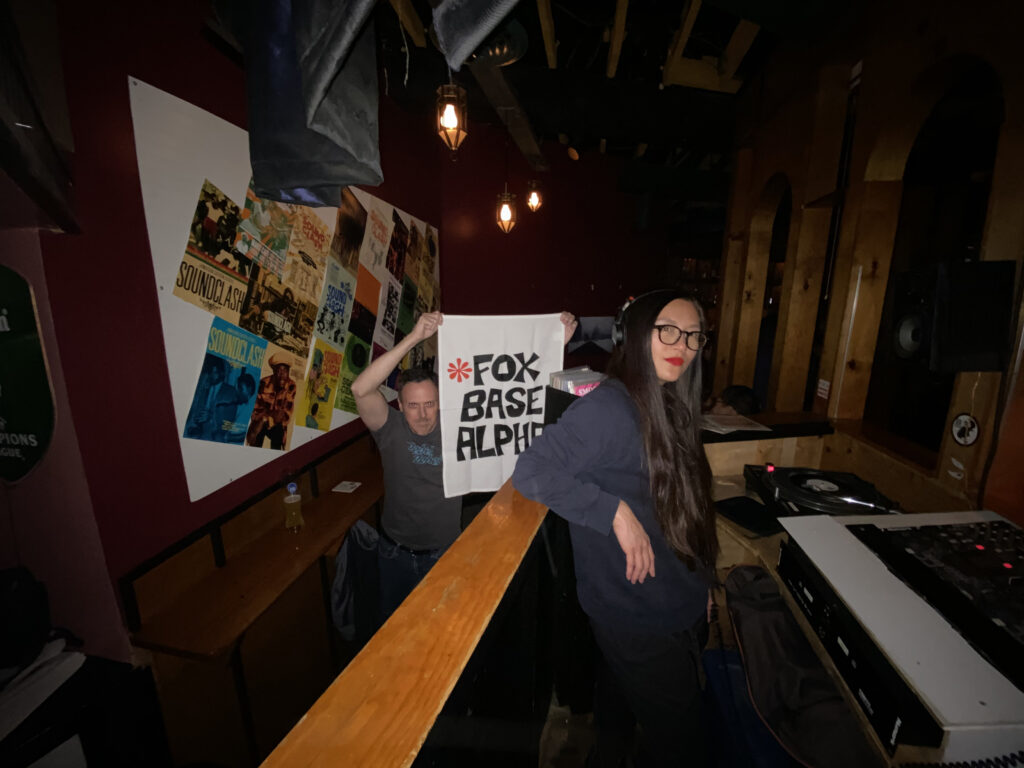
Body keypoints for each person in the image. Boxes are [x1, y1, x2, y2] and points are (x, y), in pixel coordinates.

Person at [512, 290, 718, 768]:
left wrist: (702, 578)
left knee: (616, 723)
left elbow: (690, 505)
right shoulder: (610, 409)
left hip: (677, 599)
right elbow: (532, 471)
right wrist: (613, 512)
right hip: (638, 617)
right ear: (637, 332)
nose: (681, 345)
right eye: (667, 329)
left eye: (692, 336)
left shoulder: (672, 403)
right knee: (685, 746)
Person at [351, 310, 578, 622]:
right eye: (413, 406)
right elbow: (360, 389)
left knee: (445, 636)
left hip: (446, 553)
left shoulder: (461, 423)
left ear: (441, 402)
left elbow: (515, 396)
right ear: (400, 406)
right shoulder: (390, 428)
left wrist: (552, 347)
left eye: (430, 404)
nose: (422, 415)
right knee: (395, 637)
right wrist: (415, 337)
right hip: (394, 553)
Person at [245, 352, 297, 449]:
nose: (282, 375)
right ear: (273, 371)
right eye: (279, 370)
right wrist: (266, 417)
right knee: (257, 434)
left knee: (278, 432)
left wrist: (267, 417)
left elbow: (284, 416)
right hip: (260, 424)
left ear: (288, 372)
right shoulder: (263, 383)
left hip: (276, 426)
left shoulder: (291, 386)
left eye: (285, 370)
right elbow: (255, 410)